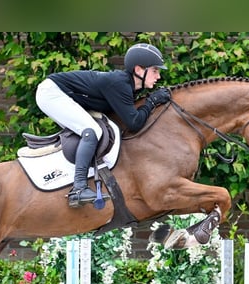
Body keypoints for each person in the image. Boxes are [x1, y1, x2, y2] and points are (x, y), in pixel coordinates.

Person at [35, 42, 172, 207]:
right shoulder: (120, 83)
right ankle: (78, 189)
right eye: (155, 71)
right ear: (138, 70)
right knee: (91, 131)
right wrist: (152, 101)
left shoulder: (127, 85)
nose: (158, 76)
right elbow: (134, 123)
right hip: (52, 93)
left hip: (61, 93)